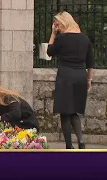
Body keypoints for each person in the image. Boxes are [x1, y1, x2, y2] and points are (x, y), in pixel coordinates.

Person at [47, 11, 95, 149]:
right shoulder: (85, 39)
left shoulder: (62, 38)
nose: (57, 27)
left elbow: (49, 52)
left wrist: (53, 34)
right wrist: (89, 80)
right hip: (81, 76)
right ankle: (81, 141)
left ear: (63, 23)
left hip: (65, 76)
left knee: (65, 112)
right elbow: (91, 63)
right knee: (74, 111)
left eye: (58, 24)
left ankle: (69, 145)